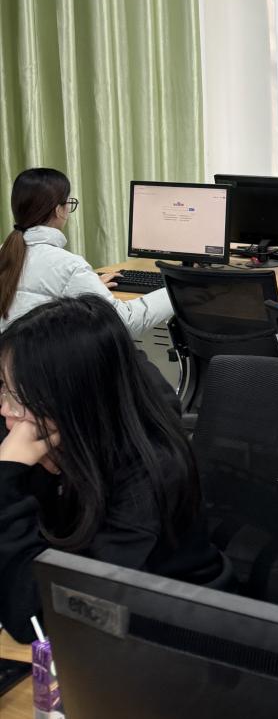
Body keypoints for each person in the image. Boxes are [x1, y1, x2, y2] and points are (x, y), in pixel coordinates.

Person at [0, 296, 228, 644]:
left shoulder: (150, 475)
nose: (6, 409)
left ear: (70, 401)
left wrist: (6, 478)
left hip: (175, 636)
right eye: (3, 388)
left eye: (17, 397)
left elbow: (42, 619)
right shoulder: (47, 429)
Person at [0, 168, 172, 335]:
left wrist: (88, 287)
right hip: (47, 355)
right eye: (69, 203)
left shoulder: (6, 251)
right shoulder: (69, 266)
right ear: (59, 211)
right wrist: (175, 290)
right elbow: (125, 322)